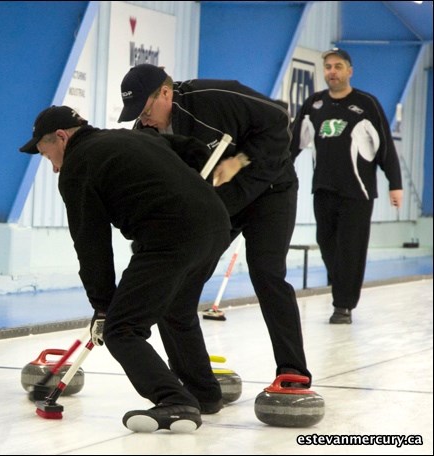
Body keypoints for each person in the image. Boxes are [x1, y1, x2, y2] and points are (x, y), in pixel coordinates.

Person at [19, 105, 232, 433]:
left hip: (171, 234)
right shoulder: (129, 139)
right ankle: (204, 394)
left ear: (61, 138)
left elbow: (91, 244)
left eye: (48, 158)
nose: (53, 169)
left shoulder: (78, 165)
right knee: (176, 311)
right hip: (216, 223)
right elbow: (189, 149)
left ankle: (175, 400)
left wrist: (104, 306)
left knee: (122, 329)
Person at [118, 64, 313, 386]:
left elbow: (279, 120)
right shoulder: (146, 134)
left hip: (271, 189)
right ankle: (193, 377)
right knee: (178, 285)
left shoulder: (213, 97)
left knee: (266, 272)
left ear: (165, 94)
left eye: (146, 109)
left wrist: (241, 160)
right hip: (221, 202)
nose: (143, 118)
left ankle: (293, 369)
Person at [290, 48, 403, 324]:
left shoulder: (367, 104)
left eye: (338, 66)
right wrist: (276, 169)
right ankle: (342, 284)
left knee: (351, 248)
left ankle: (343, 306)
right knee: (326, 244)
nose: (332, 71)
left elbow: (384, 147)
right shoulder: (314, 104)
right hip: (323, 189)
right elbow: (294, 143)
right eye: (328, 66)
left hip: (358, 193)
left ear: (349, 71)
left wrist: (395, 184)